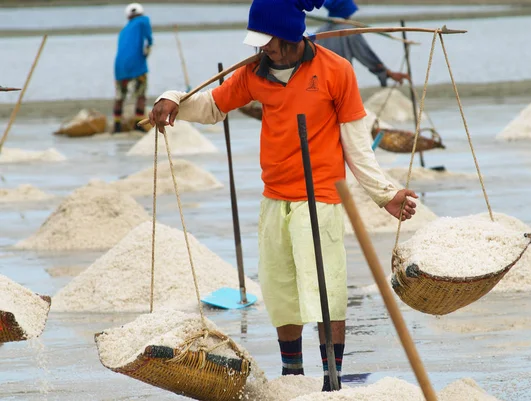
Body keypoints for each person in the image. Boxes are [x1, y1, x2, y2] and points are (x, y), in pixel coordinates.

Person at [148, 0, 418, 391]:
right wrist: (172, 97)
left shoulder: (335, 71)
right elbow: (211, 107)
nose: (263, 50)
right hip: (275, 197)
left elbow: (357, 145)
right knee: (280, 290)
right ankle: (292, 376)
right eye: (259, 44)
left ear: (291, 35)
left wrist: (385, 194)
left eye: (269, 42)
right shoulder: (255, 73)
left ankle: (332, 380)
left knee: (326, 290)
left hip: (320, 197)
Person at [314, 0, 409, 87]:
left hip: (318, 83)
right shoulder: (349, 32)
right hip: (339, 84)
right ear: (347, 11)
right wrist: (388, 73)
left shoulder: (318, 32)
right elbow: (366, 56)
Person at [113, 2, 153, 133]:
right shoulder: (144, 20)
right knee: (141, 95)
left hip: (119, 67)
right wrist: (149, 47)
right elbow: (149, 40)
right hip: (137, 65)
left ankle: (117, 126)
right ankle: (138, 124)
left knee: (120, 96)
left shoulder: (123, 30)